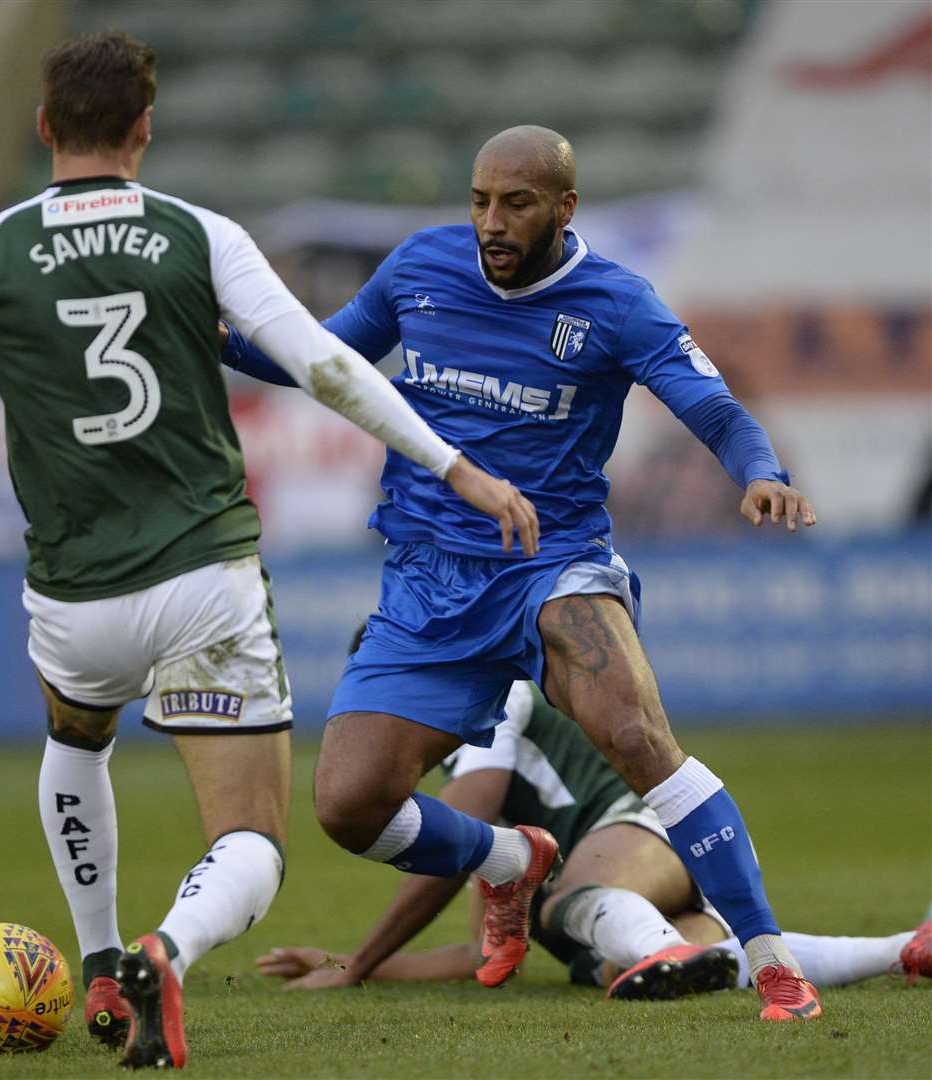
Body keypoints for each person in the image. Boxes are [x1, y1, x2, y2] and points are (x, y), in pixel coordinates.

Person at [0, 31, 534, 1070]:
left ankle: (101, 959)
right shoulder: (201, 235)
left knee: (77, 736)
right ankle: (169, 949)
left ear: (44, 129)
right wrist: (457, 465)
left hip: (73, 596)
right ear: (146, 129)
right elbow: (326, 366)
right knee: (250, 840)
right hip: (202, 576)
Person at [221, 125, 825, 1021]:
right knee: (349, 806)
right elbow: (315, 359)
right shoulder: (422, 267)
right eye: (479, 201)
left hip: (553, 566)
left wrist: (761, 472)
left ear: (563, 208)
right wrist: (200, 326)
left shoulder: (615, 304)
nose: (491, 223)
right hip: (426, 579)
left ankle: (774, 963)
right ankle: (514, 860)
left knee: (637, 738)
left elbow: (711, 402)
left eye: (516, 203)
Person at [255, 678, 932, 996]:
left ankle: (664, 952)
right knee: (695, 962)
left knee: (566, 900)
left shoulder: (486, 698)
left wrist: (363, 964)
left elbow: (452, 852)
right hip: (639, 897)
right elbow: (484, 954)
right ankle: (904, 949)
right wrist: (346, 963)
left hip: (659, 832)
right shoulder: (463, 773)